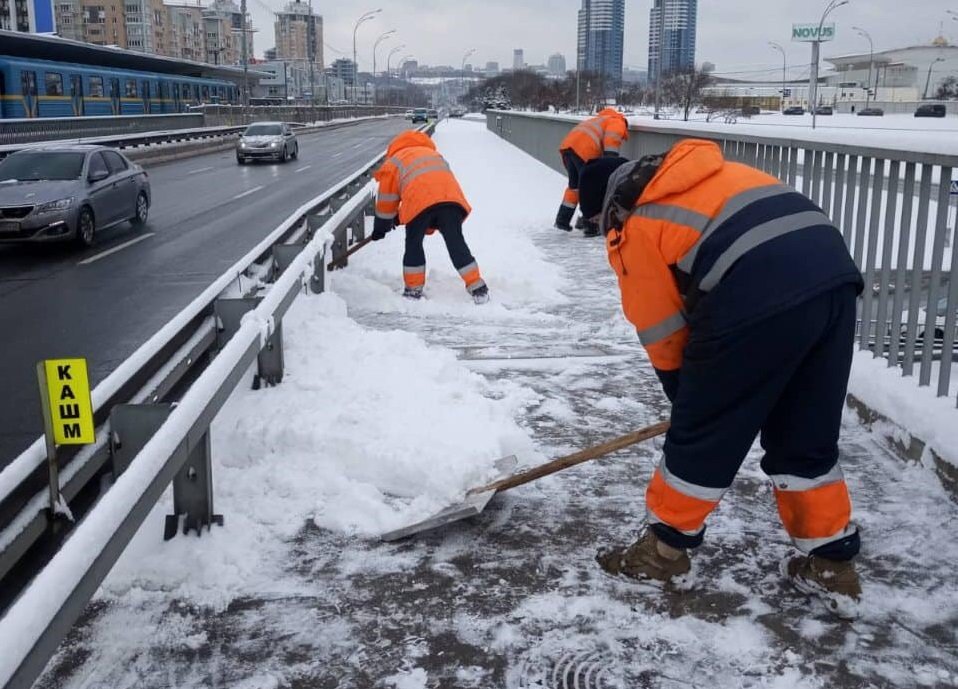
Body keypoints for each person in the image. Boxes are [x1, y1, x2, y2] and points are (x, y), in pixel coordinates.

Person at [577, 140, 865, 617]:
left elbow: (664, 333)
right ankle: (833, 565)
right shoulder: (706, 176)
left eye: (597, 222)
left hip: (756, 290)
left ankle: (663, 554)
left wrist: (693, 404)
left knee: (702, 436)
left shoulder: (639, 223)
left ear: (609, 208)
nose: (601, 230)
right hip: (833, 280)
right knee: (804, 430)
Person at [372, 130, 489, 304]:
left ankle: (413, 290)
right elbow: (431, 185)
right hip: (451, 202)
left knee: (414, 244)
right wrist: (397, 218)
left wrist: (381, 227)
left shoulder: (394, 161)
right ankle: (478, 287)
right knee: (456, 243)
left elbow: (387, 201)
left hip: (420, 205)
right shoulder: (434, 154)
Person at [554, 108, 629, 236]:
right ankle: (590, 224)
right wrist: (610, 163)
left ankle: (562, 220)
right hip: (585, 152)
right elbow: (612, 141)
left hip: (568, 149)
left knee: (575, 187)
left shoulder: (597, 120)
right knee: (589, 188)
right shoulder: (617, 121)